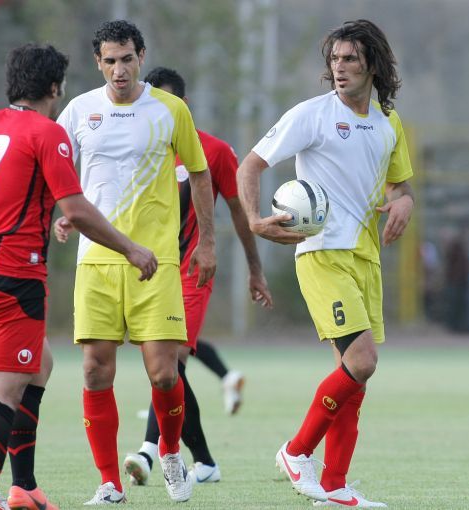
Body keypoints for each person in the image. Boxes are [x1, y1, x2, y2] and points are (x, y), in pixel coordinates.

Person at [0, 43, 158, 510]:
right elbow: (74, 209)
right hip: (14, 282)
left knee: (40, 366)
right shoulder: (47, 133)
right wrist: (132, 249)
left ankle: (25, 487)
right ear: (55, 87)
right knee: (0, 395)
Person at [237, 19, 413, 508]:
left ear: (372, 65)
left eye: (350, 58)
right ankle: (297, 452)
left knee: (354, 377)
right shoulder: (312, 115)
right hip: (321, 254)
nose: (339, 67)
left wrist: (403, 202)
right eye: (334, 59)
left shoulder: (388, 123)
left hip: (365, 257)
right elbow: (250, 165)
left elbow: (400, 186)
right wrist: (254, 220)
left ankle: (334, 486)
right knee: (362, 361)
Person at [54, 21, 215, 505]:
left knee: (164, 374)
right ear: (98, 62)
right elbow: (56, 173)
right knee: (94, 372)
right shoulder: (79, 111)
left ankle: (170, 453)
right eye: (110, 61)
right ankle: (110, 482)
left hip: (157, 261)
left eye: (127, 59)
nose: (119, 69)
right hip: (96, 262)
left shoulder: (170, 109)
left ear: (141, 56)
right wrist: (62, 215)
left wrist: (207, 243)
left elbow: (200, 175)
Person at [118, 66, 272, 488]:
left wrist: (255, 268)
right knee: (169, 371)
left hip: (190, 272)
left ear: (183, 106)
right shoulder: (135, 146)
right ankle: (204, 461)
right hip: (146, 271)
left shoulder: (214, 151)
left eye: (165, 103)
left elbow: (239, 212)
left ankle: (149, 452)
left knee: (170, 362)